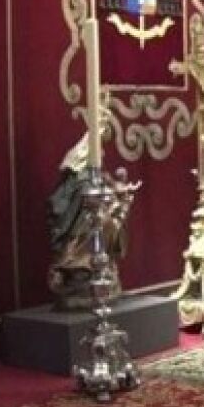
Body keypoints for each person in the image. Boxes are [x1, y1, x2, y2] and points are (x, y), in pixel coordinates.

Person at [46, 130, 141, 311]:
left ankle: (97, 269)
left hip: (95, 220)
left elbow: (108, 185)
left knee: (108, 224)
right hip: (82, 224)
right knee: (99, 227)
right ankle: (82, 270)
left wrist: (119, 190)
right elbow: (73, 201)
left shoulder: (97, 176)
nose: (102, 155)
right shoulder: (80, 179)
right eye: (99, 151)